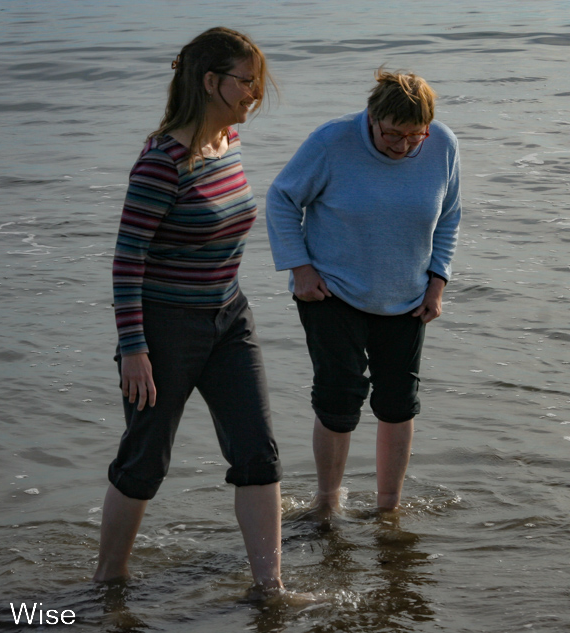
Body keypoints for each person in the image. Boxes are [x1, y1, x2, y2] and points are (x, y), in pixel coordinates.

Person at [93, 27, 288, 600]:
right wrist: (134, 349)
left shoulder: (227, 140)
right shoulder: (163, 162)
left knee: (258, 452)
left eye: (257, 80)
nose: (256, 92)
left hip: (230, 316)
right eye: (246, 81)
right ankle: (108, 581)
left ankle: (268, 587)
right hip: (164, 329)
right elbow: (127, 260)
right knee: (145, 460)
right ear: (210, 81)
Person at [266, 69, 461, 516]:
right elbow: (281, 199)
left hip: (409, 295)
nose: (403, 146)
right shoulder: (331, 142)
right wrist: (300, 269)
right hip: (331, 292)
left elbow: (449, 215)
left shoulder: (443, 145)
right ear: (371, 117)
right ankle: (327, 504)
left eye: (415, 136)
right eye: (392, 134)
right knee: (339, 398)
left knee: (399, 403)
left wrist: (438, 280)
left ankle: (388, 509)